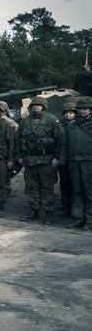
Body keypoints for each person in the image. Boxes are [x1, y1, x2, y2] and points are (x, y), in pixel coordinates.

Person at [17, 96, 61, 225]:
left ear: (43, 106)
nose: (36, 107)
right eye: (34, 105)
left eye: (38, 105)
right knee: (32, 187)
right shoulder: (25, 121)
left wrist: (56, 158)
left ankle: (48, 212)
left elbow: (59, 140)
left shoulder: (52, 120)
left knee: (47, 187)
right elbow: (18, 139)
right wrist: (19, 156)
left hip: (46, 160)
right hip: (29, 160)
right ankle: (34, 210)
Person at [60, 96, 92, 231]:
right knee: (77, 192)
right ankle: (79, 218)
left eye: (85, 109)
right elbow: (64, 145)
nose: (82, 111)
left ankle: (90, 220)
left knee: (89, 192)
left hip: (89, 162)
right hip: (73, 163)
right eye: (80, 109)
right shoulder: (72, 126)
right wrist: (63, 161)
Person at [57, 101, 77, 218]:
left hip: (76, 160)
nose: (68, 115)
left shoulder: (79, 125)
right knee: (64, 185)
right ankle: (65, 208)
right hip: (63, 159)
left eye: (71, 113)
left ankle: (75, 209)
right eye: (66, 113)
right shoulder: (60, 125)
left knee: (77, 186)